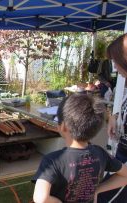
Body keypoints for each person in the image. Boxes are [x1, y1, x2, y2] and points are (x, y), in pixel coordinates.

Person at [32, 94, 127, 203]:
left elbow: (41, 198)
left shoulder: (52, 161)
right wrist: (97, 190)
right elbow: (125, 176)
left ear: (62, 127)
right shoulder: (100, 153)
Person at [98, 33, 127, 202]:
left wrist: (98, 190)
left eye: (116, 61)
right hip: (122, 160)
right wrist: (116, 117)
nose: (114, 67)